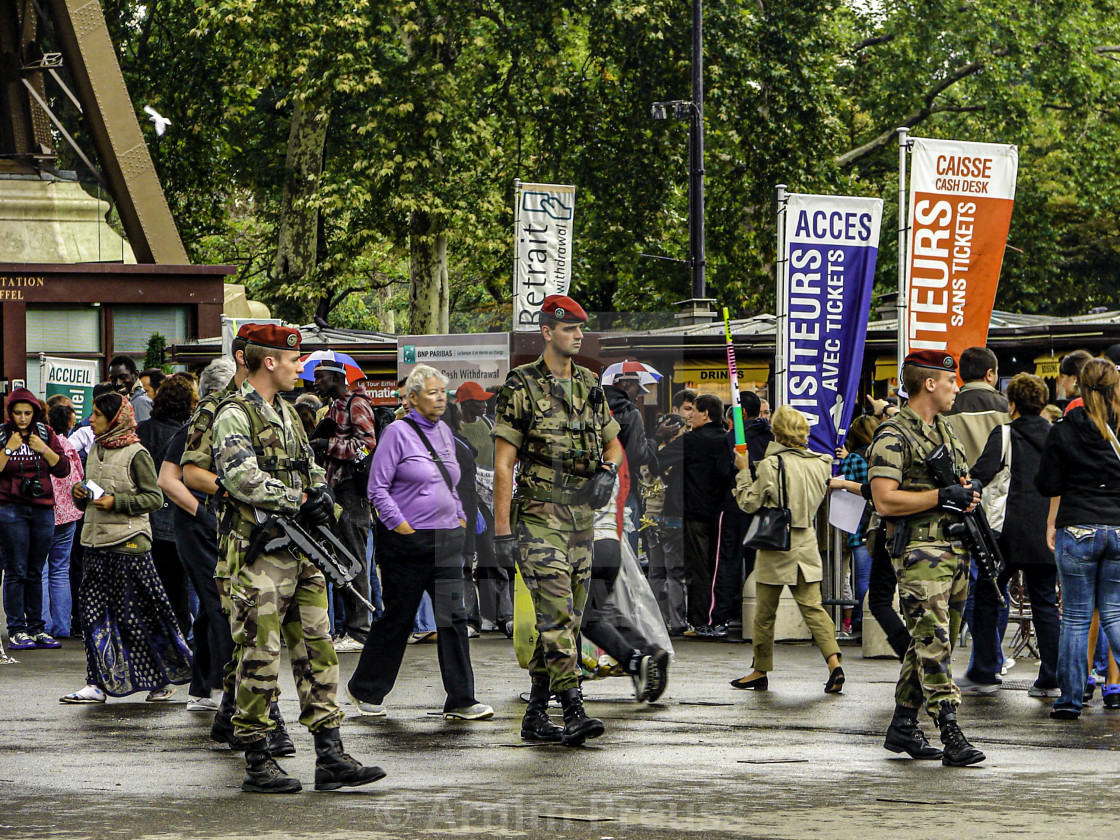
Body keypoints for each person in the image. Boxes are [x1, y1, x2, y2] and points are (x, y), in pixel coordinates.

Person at [212, 324, 384, 793]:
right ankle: (257, 758)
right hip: (258, 553)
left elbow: (309, 466)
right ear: (268, 361)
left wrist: (322, 494)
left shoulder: (286, 412)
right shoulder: (234, 413)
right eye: (292, 360)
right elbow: (239, 478)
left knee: (317, 650)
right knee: (260, 656)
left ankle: (330, 754)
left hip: (301, 549)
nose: (299, 367)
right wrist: (296, 497)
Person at [492, 294, 623, 746]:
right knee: (557, 615)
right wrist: (503, 530)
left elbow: (613, 443)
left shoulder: (589, 383)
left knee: (568, 617)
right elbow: (504, 462)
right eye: (569, 329)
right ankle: (573, 709)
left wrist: (609, 472)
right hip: (538, 517)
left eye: (581, 329)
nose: (578, 335)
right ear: (547, 332)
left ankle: (534, 714)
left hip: (582, 520)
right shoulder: (521, 385)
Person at [347, 364, 492, 721]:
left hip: (446, 541)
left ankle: (461, 699)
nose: (440, 398)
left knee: (453, 619)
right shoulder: (396, 433)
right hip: (406, 546)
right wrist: (401, 526)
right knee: (398, 618)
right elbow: (377, 489)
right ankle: (365, 689)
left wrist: (458, 516)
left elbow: (451, 482)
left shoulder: (444, 432)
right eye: (432, 392)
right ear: (411, 398)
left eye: (443, 392)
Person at [866, 349, 985, 766]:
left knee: (931, 642)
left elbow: (960, 481)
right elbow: (884, 500)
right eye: (951, 381)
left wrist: (966, 495)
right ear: (929, 383)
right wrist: (940, 496)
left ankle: (903, 724)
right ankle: (950, 729)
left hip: (953, 550)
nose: (957, 388)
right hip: (919, 554)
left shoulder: (945, 432)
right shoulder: (893, 434)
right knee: (934, 643)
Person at [60, 391, 191, 704]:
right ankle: (96, 683)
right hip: (93, 542)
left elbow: (155, 498)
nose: (90, 420)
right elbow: (90, 495)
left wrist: (116, 501)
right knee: (93, 615)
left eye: (97, 415)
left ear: (114, 419)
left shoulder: (137, 453)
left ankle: (163, 679)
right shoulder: (95, 449)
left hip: (129, 546)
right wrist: (81, 493)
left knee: (138, 616)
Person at [730, 405, 842, 693]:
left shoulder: (770, 465)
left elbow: (748, 503)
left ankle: (759, 670)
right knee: (813, 609)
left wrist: (743, 472)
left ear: (777, 432)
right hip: (807, 543)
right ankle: (834, 664)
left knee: (765, 613)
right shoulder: (822, 462)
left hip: (775, 545)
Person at [1035, 358, 1120, 720]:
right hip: (1118, 527)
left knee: (1075, 619)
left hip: (1077, 529)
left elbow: (1047, 483)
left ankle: (1070, 699)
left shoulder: (1064, 428)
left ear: (1080, 388)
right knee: (1115, 613)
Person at [966, 373, 1059, 697]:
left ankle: (986, 670)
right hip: (1045, 532)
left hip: (1003, 533)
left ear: (1012, 403)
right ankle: (1050, 677)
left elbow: (982, 473)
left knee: (988, 596)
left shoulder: (1004, 434)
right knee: (1045, 603)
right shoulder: (1054, 435)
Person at [158, 357, 236, 714]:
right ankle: (224, 688)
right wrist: (202, 513)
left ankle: (203, 689)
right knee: (220, 603)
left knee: (210, 606)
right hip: (197, 526)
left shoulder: (223, 425)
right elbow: (167, 480)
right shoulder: (195, 426)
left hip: (212, 523)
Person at [582, 456, 670, 702]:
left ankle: (635, 659)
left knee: (581, 616)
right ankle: (646, 652)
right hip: (611, 540)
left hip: (589, 544)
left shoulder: (582, 449)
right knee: (597, 610)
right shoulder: (614, 453)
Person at [311, 359, 377, 652]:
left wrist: (327, 446)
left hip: (352, 491)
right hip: (337, 491)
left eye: (321, 377)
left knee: (356, 561)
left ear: (337, 378)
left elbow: (366, 445)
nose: (315, 383)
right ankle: (350, 627)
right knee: (340, 559)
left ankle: (360, 631)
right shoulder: (335, 407)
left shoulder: (356, 404)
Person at [656, 393, 734, 637]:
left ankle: (700, 620)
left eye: (695, 412)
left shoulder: (691, 440)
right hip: (722, 513)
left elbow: (659, 459)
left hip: (695, 511)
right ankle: (720, 617)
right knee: (719, 566)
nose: (691, 417)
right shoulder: (727, 439)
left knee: (697, 568)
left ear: (706, 415)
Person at [0, 387, 71, 650]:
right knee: (16, 570)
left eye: (27, 413)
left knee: (35, 569)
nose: (22, 418)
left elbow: (63, 469)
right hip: (10, 508)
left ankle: (37, 628)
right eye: (17, 413)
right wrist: (9, 449)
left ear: (35, 413)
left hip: (42, 507)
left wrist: (43, 449)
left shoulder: (45, 433)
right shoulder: (2, 433)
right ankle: (17, 629)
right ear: (10, 413)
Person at [711, 391, 774, 636]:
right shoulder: (770, 436)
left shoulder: (733, 438)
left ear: (742, 413)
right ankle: (756, 614)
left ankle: (723, 617)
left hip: (737, 503)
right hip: (765, 505)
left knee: (729, 559)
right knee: (758, 561)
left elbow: (720, 472)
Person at [138, 376, 197, 634]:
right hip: (176, 521)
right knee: (177, 591)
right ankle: (178, 647)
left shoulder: (140, 430)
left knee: (146, 590)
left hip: (142, 520)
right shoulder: (187, 434)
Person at [457, 381, 509, 635]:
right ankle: (470, 618)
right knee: (466, 559)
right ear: (467, 403)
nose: (486, 403)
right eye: (480, 400)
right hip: (464, 503)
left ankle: (500, 615)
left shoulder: (490, 425)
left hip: (489, 502)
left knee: (493, 556)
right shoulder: (452, 428)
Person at [828, 414, 878, 637]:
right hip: (880, 522)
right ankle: (874, 620)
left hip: (858, 523)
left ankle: (861, 620)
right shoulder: (880, 455)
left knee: (863, 577)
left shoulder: (854, 459)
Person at [42, 403, 84, 639]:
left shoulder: (42, 445)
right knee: (61, 571)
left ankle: (43, 626)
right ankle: (62, 627)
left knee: (42, 570)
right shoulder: (67, 445)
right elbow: (78, 474)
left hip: (44, 511)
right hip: (69, 514)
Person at [646, 413, 688, 635]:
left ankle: (657, 620)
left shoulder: (648, 450)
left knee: (656, 572)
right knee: (674, 572)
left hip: (649, 518)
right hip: (671, 517)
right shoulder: (679, 453)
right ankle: (677, 621)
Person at [945, 346, 1010, 467]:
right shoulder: (1009, 407)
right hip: (1000, 483)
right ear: (989, 374)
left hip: (961, 483)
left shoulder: (946, 409)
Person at [108, 355, 152, 423]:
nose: (118, 383)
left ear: (135, 374)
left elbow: (143, 432)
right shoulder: (124, 402)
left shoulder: (140, 402)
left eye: (123, 377)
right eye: (113, 379)